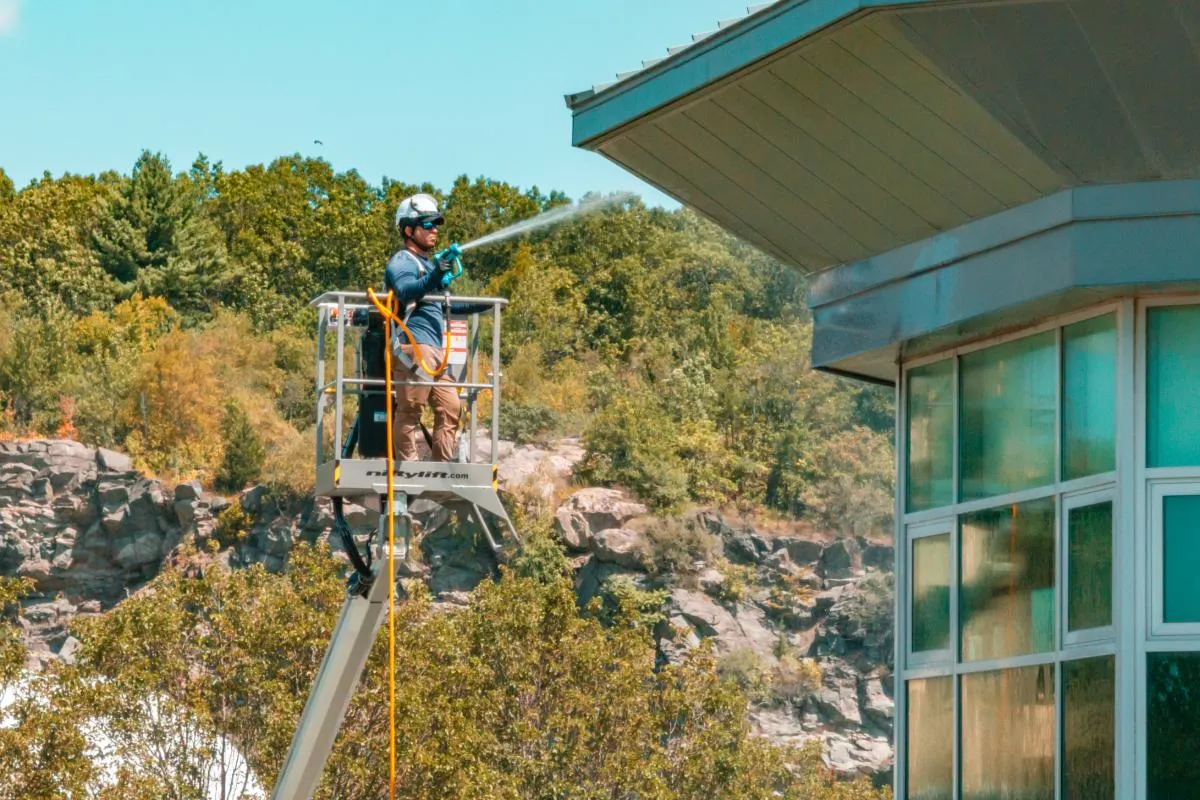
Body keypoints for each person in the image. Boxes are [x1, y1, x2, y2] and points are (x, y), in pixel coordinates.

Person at [384, 194, 489, 462]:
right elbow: (406, 291)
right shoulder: (403, 261)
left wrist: (486, 304)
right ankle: (409, 468)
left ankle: (441, 466)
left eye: (436, 225)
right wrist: (434, 275)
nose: (435, 231)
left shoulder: (429, 266)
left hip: (435, 352)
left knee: (451, 406)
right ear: (409, 230)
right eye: (428, 225)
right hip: (413, 345)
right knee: (410, 409)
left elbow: (446, 305)